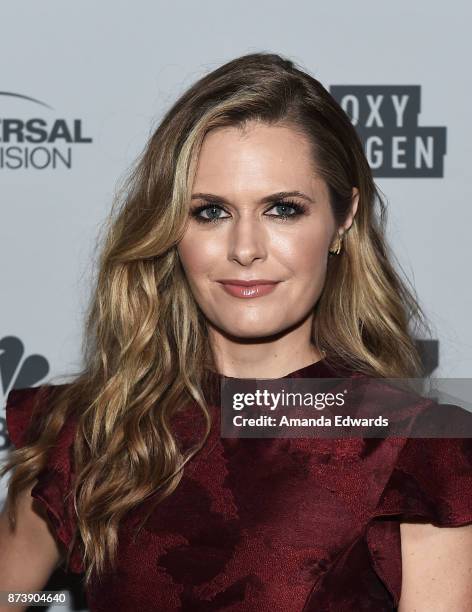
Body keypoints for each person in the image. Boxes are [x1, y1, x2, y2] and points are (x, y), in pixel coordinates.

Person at [1, 52, 471, 612]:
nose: (245, 248)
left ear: (343, 218)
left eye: (283, 208)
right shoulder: (94, 425)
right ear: (171, 227)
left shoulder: (420, 451)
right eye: (211, 212)